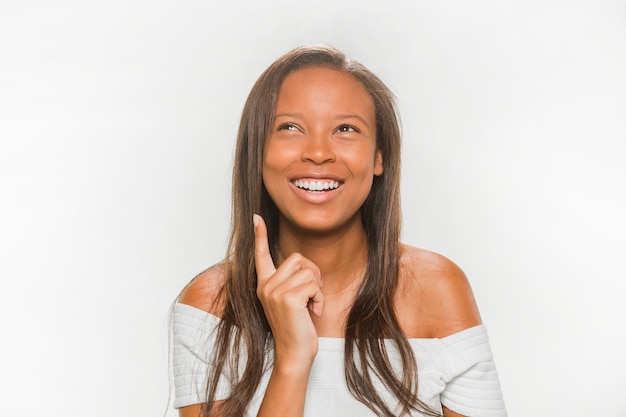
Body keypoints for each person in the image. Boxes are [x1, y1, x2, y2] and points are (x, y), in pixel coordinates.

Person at [171, 45, 506, 417]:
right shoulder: (210, 304)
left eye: (345, 128)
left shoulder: (438, 288)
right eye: (290, 127)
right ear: (258, 151)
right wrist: (293, 359)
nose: (318, 152)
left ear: (380, 156)